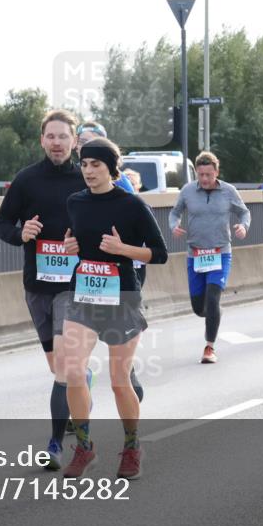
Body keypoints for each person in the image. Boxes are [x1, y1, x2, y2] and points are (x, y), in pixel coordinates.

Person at [59, 138, 168, 479]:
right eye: (84, 164)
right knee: (73, 372)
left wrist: (124, 249)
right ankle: (84, 446)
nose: (88, 171)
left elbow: (160, 253)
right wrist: (69, 246)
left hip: (121, 296)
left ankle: (133, 446)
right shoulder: (75, 202)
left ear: (111, 169)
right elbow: (78, 240)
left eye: (96, 165)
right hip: (85, 294)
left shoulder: (131, 205)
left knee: (119, 380)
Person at [0, 110, 94, 471]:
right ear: (42, 140)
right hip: (37, 285)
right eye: (50, 136)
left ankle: (55, 444)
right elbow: (2, 224)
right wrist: (19, 234)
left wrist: (84, 243)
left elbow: (107, 227)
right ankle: (81, 383)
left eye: (62, 137)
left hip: (75, 284)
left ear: (74, 141)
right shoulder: (26, 180)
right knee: (61, 366)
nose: (56, 142)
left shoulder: (86, 179)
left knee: (64, 367)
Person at [169, 151, 250, 363]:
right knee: (199, 308)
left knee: (213, 298)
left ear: (216, 172)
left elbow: (244, 212)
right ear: (196, 172)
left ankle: (209, 347)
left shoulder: (228, 191)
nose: (204, 179)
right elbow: (174, 212)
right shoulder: (187, 191)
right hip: (195, 254)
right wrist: (174, 225)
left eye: (209, 175)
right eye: (201, 174)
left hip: (220, 253)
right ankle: (214, 315)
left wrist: (243, 225)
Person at [77, 121, 135, 193]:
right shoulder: (70, 174)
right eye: (82, 141)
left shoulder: (120, 180)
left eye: (93, 142)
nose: (86, 147)